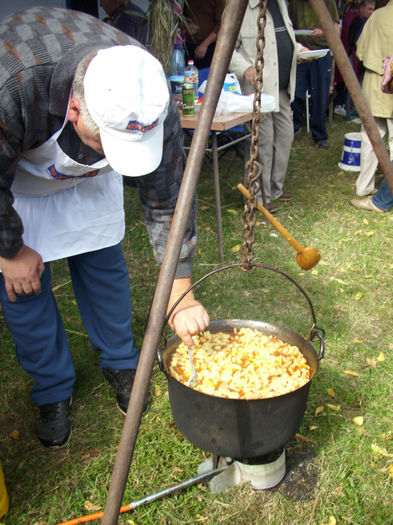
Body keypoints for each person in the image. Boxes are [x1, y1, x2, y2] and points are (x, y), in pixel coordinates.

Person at [0, 7, 209, 449]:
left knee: (103, 263)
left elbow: (168, 194)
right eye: (109, 144)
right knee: (23, 285)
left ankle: (120, 361)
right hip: (20, 173)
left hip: (85, 177)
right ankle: (52, 389)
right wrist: (9, 250)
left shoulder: (146, 92)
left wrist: (180, 287)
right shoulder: (11, 84)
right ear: (74, 108)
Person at [229, 0, 306, 212]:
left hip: (281, 88)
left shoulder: (280, 3)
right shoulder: (242, 8)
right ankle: (258, 198)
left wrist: (298, 50)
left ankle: (274, 189)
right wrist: (245, 68)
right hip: (259, 90)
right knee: (262, 141)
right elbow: (227, 49)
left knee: (285, 135)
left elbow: (281, 38)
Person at [353, 0, 393, 196]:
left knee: (370, 137)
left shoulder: (377, 16)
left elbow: (360, 49)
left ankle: (364, 186)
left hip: (372, 82)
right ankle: (389, 191)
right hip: (389, 85)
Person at [289, 0, 340, 149]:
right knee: (295, 91)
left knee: (320, 96)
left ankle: (319, 136)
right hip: (301, 52)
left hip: (321, 52)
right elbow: (289, 26)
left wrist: (323, 31)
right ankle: (294, 127)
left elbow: (336, 28)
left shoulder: (327, 2)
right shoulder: (294, 3)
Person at [183, 0, 226, 70]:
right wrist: (187, 26)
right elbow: (181, 17)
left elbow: (221, 25)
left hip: (210, 47)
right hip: (189, 46)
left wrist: (205, 45)